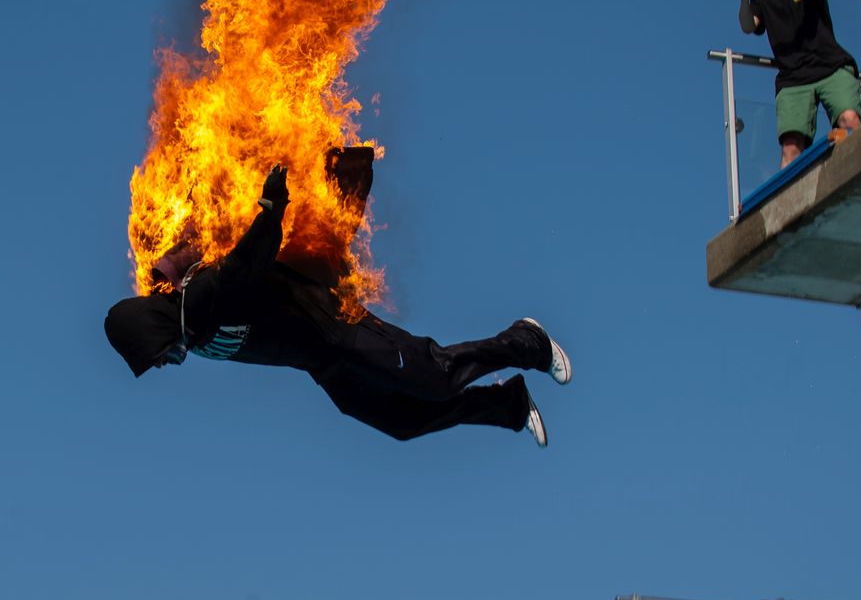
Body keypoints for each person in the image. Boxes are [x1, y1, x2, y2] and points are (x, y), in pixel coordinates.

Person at [104, 166, 571, 447]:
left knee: (436, 376)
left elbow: (247, 262)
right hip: (324, 364)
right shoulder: (190, 333)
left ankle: (527, 341)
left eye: (155, 355)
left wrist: (271, 207)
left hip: (338, 328)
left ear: (154, 329)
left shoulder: (201, 299)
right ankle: (508, 405)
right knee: (403, 422)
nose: (163, 364)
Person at [733, 0, 861, 167]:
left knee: (849, 120)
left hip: (830, 66)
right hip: (793, 79)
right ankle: (789, 202)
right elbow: (748, 26)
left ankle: (854, 174)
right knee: (791, 148)